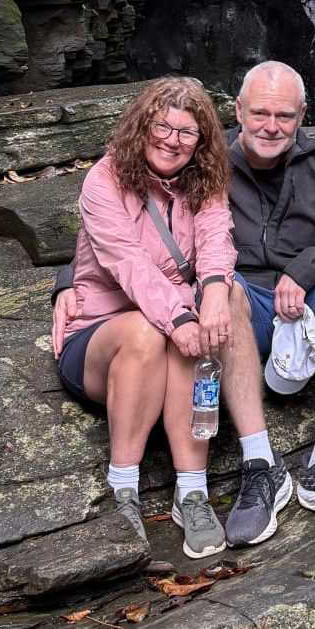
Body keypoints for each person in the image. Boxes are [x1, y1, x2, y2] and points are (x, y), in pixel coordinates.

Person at [55, 61, 315, 549]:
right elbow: (123, 254)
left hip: (280, 304)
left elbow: (218, 243)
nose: (270, 126)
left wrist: (297, 268)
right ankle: (249, 466)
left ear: (302, 116)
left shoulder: (301, 170)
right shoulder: (167, 172)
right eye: (259, 112)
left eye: (283, 115)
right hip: (191, 313)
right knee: (196, 309)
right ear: (238, 110)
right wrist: (67, 284)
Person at [51, 76, 236, 559]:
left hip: (176, 330)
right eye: (163, 126)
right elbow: (128, 264)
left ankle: (192, 492)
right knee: (151, 329)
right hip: (101, 336)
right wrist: (180, 317)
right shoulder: (104, 180)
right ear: (142, 125)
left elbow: (216, 237)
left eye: (186, 133)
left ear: (201, 143)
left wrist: (215, 290)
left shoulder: (206, 182)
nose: (172, 141)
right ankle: (123, 490)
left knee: (194, 329)